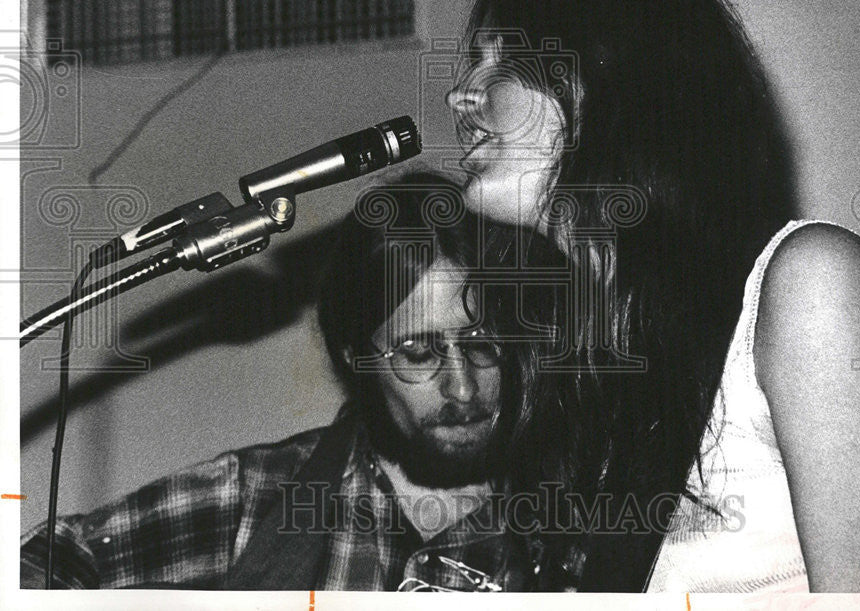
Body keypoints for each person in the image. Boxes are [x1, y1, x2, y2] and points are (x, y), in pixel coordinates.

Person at [443, 0, 860, 593]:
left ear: (607, 79)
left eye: (503, 60)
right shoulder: (599, 350)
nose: (462, 94)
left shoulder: (813, 282)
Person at [19, 173, 545, 591]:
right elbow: (59, 557)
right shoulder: (260, 496)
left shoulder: (570, 513)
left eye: (482, 342)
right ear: (356, 359)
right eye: (418, 352)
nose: (463, 387)